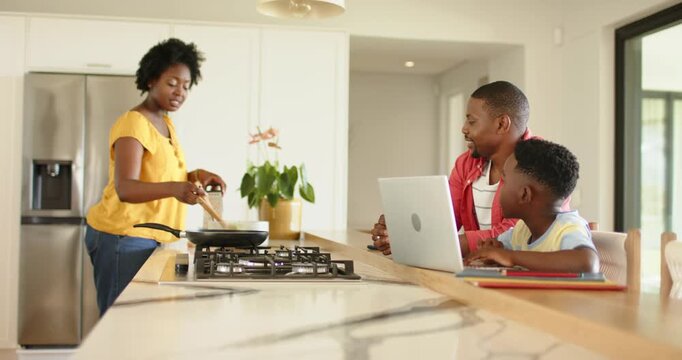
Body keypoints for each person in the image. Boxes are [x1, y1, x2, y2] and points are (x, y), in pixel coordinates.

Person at [85, 38, 226, 314]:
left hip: (149, 238)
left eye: (186, 86)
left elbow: (160, 172)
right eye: (172, 83)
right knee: (120, 323)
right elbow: (126, 188)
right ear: (151, 80)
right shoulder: (133, 123)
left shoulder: (166, 123)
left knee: (139, 321)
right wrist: (176, 187)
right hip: (122, 236)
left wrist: (196, 174)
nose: (180, 92)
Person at [371, 81, 570, 256]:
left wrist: (424, 244)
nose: (464, 128)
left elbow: (515, 234)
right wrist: (400, 231)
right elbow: (444, 219)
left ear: (502, 124)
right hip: (484, 272)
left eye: (471, 121)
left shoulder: (542, 163)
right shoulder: (466, 163)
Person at [465, 139, 599, 272]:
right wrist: (495, 248)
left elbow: (588, 262)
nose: (499, 188)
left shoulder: (567, 228)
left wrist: (511, 257)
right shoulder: (522, 231)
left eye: (504, 181)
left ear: (524, 194)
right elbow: (501, 250)